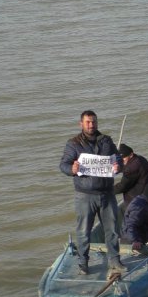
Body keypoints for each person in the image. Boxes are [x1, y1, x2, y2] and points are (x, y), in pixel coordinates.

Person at [59, 110, 126, 275]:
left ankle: (115, 261)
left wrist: (118, 166)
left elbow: (117, 159)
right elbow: (63, 165)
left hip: (107, 194)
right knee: (83, 232)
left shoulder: (106, 141)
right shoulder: (73, 144)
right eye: (88, 122)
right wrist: (72, 169)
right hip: (84, 196)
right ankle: (83, 264)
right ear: (81, 124)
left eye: (94, 122)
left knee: (112, 230)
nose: (91, 125)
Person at [122, 183, 148, 251]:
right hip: (136, 241)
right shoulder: (139, 207)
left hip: (146, 237)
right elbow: (131, 225)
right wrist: (135, 240)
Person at [114, 143, 148, 208]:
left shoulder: (131, 169)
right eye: (120, 159)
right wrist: (120, 169)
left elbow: (123, 186)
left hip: (139, 200)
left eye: (123, 158)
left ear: (131, 155)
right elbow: (129, 168)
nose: (121, 161)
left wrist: (108, 190)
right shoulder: (140, 158)